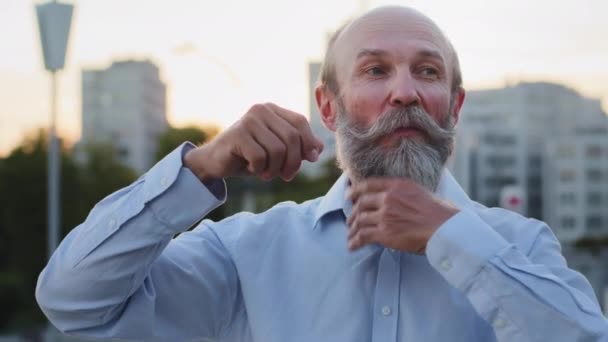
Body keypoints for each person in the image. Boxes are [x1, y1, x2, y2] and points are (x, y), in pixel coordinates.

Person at [36, 6, 608, 342]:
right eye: (375, 70)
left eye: (426, 72)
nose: (404, 92)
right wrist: (199, 167)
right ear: (328, 108)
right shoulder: (247, 251)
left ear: (453, 108)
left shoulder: (519, 245)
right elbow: (72, 301)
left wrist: (449, 236)